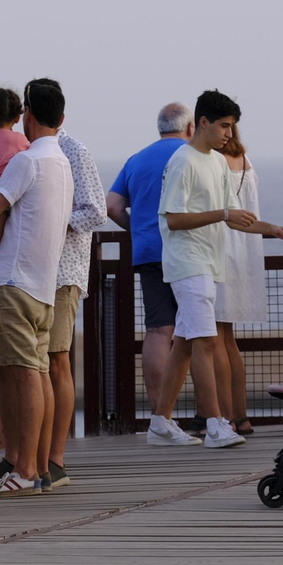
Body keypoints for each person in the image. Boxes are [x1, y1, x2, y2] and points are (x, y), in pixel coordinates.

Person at [151, 91, 283, 450]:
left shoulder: (217, 163)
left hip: (209, 264)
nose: (229, 134)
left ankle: (159, 422)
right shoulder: (183, 161)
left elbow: (236, 218)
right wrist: (222, 215)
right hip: (188, 264)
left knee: (184, 344)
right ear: (203, 122)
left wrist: (273, 229)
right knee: (205, 341)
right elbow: (173, 219)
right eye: (224, 126)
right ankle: (217, 424)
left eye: (231, 127)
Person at [0, 79, 74, 497]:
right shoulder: (62, 163)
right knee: (36, 373)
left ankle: (25, 469)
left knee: (21, 375)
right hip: (45, 285)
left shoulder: (27, 162)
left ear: (28, 114)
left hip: (13, 280)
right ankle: (36, 465)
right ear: (61, 119)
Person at [106, 104, 198, 445]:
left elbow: (112, 206)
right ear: (190, 126)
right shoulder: (193, 154)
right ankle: (210, 416)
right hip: (189, 252)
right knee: (200, 331)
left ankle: (162, 418)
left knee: (160, 331)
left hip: (149, 252)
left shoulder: (137, 159)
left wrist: (141, 230)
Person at [47, 126, 106, 487]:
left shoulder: (73, 149)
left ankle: (55, 458)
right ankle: (27, 459)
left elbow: (95, 210)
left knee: (57, 362)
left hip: (62, 272)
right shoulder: (27, 151)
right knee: (30, 368)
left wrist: (51, 224)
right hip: (30, 274)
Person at [207, 119, 266, 439]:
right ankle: (241, 416)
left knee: (215, 338)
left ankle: (225, 416)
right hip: (243, 256)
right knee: (229, 339)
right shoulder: (245, 162)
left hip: (219, 252)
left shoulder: (214, 162)